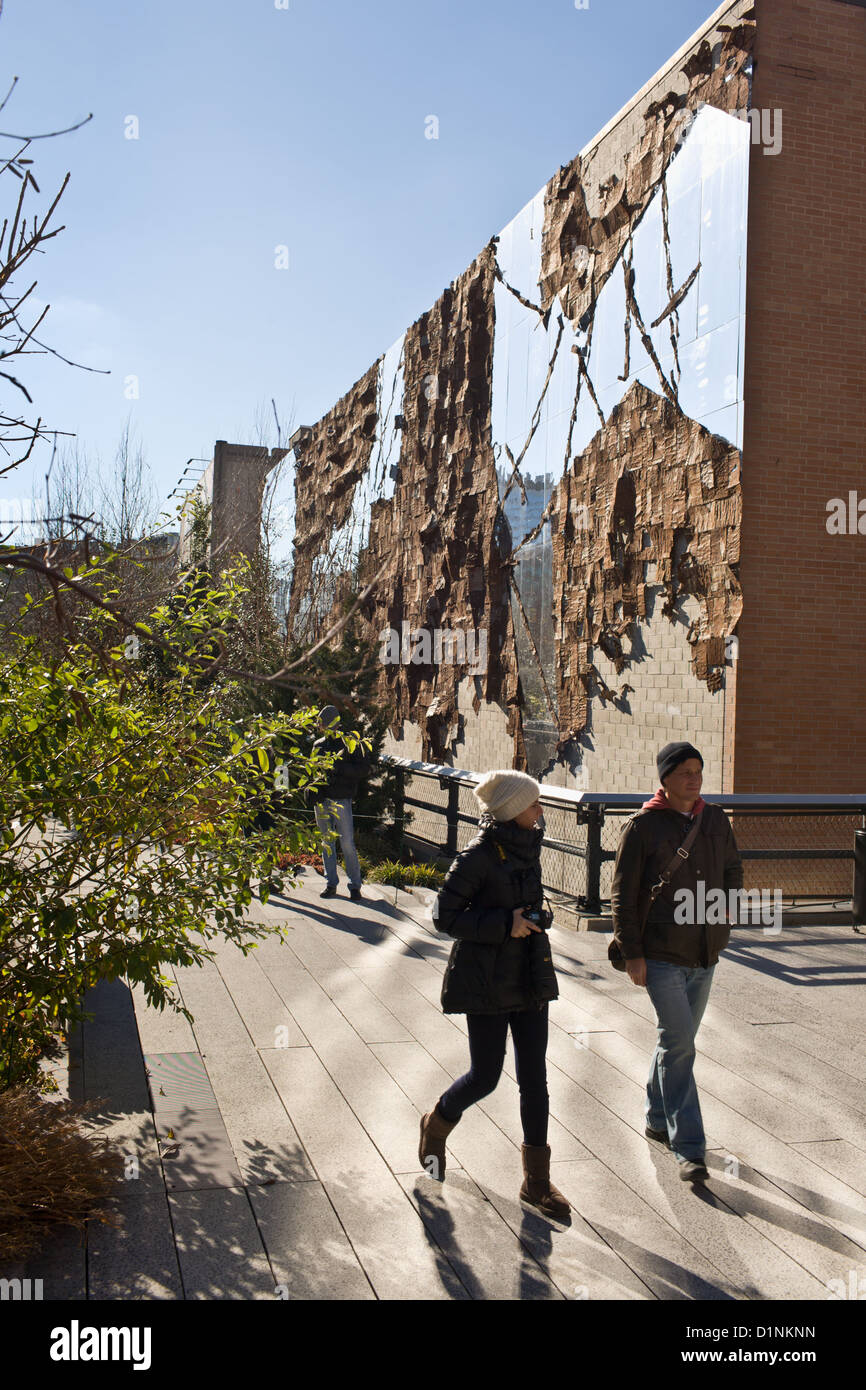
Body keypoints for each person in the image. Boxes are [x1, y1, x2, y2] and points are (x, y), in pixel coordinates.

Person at [418, 770, 569, 1220]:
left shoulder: (528, 847)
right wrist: (506, 924)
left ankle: (536, 1184)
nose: (540, 811)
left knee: (535, 1080)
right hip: (485, 980)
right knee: (485, 1076)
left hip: (528, 975)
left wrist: (539, 916)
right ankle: (437, 1122)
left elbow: (531, 902)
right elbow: (443, 916)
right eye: (533, 804)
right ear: (511, 811)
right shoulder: (478, 856)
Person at [610, 741, 743, 1182]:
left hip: (705, 952)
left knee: (675, 1042)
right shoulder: (643, 827)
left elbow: (732, 869)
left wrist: (725, 908)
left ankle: (654, 1115)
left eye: (698, 770)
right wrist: (632, 954)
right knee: (681, 1043)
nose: (694, 777)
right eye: (684, 770)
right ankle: (689, 1147)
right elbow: (622, 896)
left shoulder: (715, 819)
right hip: (661, 954)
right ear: (665, 778)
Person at [312, 704, 369, 902]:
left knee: (346, 843)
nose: (321, 727)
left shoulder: (349, 743)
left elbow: (362, 770)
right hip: (323, 799)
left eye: (322, 723)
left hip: (341, 798)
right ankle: (331, 883)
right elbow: (313, 771)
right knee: (327, 842)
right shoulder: (318, 745)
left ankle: (354, 884)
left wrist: (339, 768)